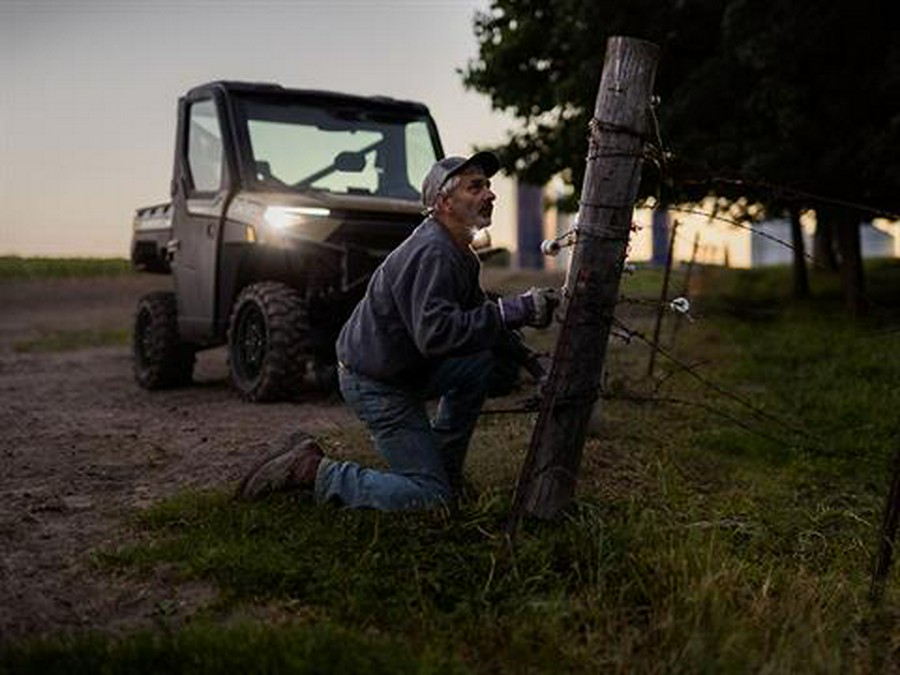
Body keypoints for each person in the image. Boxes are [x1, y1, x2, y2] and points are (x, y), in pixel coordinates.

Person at [237, 151, 558, 510]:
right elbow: (437, 334)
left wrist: (533, 362)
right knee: (429, 498)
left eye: (488, 185)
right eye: (475, 187)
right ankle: (313, 470)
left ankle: (445, 470)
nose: (490, 194)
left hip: (403, 369)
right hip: (374, 382)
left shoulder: (461, 253)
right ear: (444, 203)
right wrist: (513, 310)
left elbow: (480, 319)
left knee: (479, 360)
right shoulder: (432, 252)